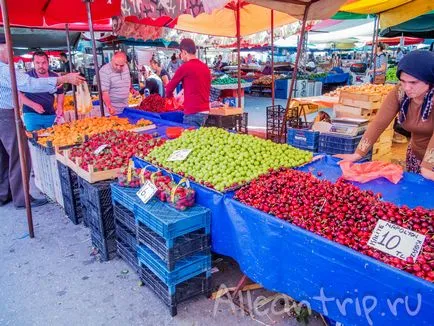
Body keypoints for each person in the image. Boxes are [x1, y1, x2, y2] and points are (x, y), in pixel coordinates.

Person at [0, 36, 84, 208]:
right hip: (6, 116)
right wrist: (63, 79)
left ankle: (4, 194)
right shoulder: (3, 70)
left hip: (4, 114)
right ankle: (21, 198)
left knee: (4, 157)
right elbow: (28, 84)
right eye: (8, 47)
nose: (11, 51)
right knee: (19, 156)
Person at [336, 50, 434, 181]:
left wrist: (428, 167)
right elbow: (379, 122)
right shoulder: (400, 93)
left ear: (430, 80)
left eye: (413, 82)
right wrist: (358, 153)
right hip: (416, 155)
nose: (407, 87)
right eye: (403, 81)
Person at [165, 39, 211, 127]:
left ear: (184, 52)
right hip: (205, 112)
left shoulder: (185, 67)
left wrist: (170, 98)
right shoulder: (205, 67)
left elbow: (169, 88)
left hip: (192, 112)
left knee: (189, 139)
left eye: (181, 53)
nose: (180, 56)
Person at [19, 51, 64, 131]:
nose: (41, 66)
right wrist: (33, 105)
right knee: (34, 138)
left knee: (53, 138)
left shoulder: (55, 76)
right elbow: (18, 94)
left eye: (44, 63)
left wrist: (60, 105)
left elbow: (60, 93)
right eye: (37, 63)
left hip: (50, 114)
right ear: (33, 63)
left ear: (48, 62)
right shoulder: (26, 77)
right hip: (31, 114)